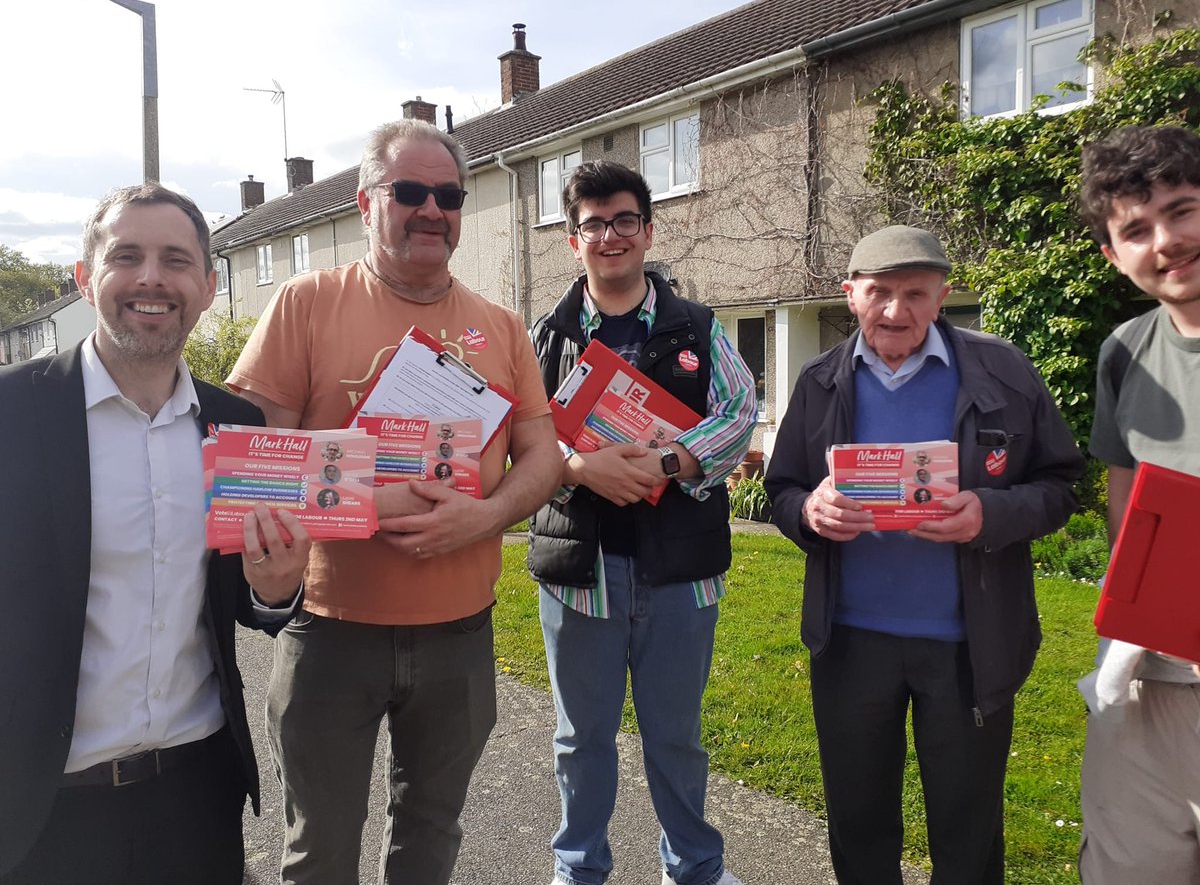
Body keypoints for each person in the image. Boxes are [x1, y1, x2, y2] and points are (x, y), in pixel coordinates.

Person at [227, 118, 562, 885]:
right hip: (330, 633)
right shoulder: (305, 303)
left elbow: (541, 455)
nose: (431, 210)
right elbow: (253, 470)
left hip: (460, 636)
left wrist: (486, 514)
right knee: (321, 847)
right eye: (408, 191)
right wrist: (375, 505)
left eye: (447, 195)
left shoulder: (501, 326)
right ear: (364, 202)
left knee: (432, 835)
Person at [0, 184, 311, 885]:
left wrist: (275, 589)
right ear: (86, 278)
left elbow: (247, 602)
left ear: (205, 287)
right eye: (126, 256)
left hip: (194, 793)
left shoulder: (238, 429)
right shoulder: (12, 413)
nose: (151, 278)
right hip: (38, 804)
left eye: (176, 260)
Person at [765, 225, 1084, 884]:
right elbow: (782, 488)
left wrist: (989, 513)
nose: (895, 311)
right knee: (859, 824)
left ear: (941, 297)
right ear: (850, 296)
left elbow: (1060, 485)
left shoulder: (1004, 369)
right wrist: (808, 512)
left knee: (967, 833)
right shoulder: (820, 379)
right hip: (851, 644)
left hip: (969, 647)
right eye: (878, 293)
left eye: (915, 293)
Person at [527, 160, 757, 885]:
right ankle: (578, 867)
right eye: (593, 223)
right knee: (580, 738)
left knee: (677, 738)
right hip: (579, 573)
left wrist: (665, 466)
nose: (610, 235)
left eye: (624, 219)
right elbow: (522, 431)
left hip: (677, 573)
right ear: (573, 240)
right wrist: (575, 465)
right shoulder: (547, 334)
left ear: (648, 230)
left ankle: (694, 867)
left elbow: (739, 410)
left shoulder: (698, 327)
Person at [1076, 124, 1200, 883]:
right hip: (1150, 678)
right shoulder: (1125, 350)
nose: (1167, 240)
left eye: (1183, 210)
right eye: (1136, 229)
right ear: (1114, 256)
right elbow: (1129, 511)